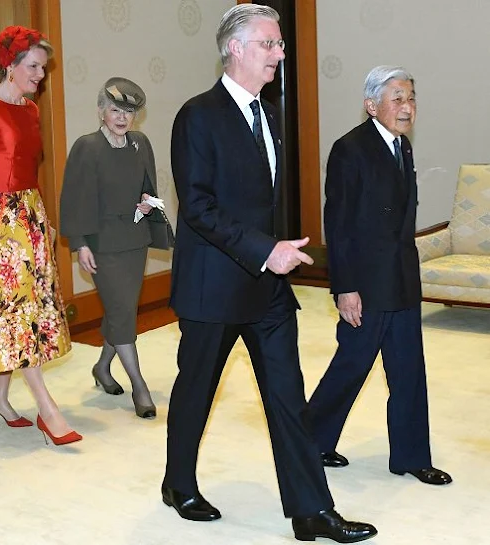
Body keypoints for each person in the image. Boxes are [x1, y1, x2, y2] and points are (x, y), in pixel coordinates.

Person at [161, 5, 377, 543]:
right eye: (269, 44)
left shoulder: (270, 112)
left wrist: (273, 257)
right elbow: (198, 206)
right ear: (236, 48)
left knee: (287, 394)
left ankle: (310, 511)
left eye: (281, 45)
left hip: (269, 288)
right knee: (196, 391)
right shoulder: (198, 115)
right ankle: (177, 482)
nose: (280, 54)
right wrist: (265, 251)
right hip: (214, 284)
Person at [307, 65, 452, 486]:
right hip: (366, 284)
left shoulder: (402, 147)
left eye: (410, 98)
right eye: (398, 99)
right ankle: (310, 441)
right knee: (351, 365)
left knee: (409, 371)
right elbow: (338, 224)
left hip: (402, 279)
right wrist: (345, 287)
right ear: (372, 105)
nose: (407, 107)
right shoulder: (349, 149)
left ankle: (410, 456)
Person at [0, 25, 81, 447]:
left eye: (43, 68)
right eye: (33, 66)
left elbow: (30, 166)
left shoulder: (30, 109)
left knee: (22, 307)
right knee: (16, 310)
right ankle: (48, 409)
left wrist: (43, 220)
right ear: (10, 65)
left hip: (28, 214)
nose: (40, 75)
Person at [60, 77, 161, 420]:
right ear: (101, 111)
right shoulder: (86, 147)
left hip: (135, 239)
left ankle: (103, 368)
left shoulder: (141, 144)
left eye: (129, 112)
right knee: (121, 311)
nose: (122, 117)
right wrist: (80, 244)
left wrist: (147, 203)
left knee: (122, 312)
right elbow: (73, 199)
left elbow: (148, 188)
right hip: (101, 244)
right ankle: (139, 386)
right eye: (115, 109)